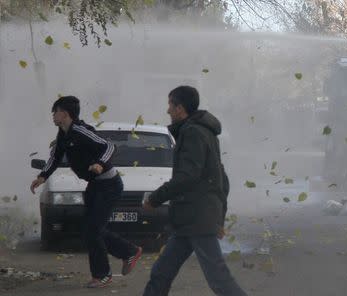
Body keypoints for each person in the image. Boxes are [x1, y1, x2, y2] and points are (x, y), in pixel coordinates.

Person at [142, 86, 247, 296]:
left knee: (219, 280)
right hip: (188, 220)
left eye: (170, 105)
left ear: (180, 108)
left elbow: (187, 177)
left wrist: (154, 199)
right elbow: (222, 180)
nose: (168, 110)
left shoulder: (193, 133)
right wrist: (219, 218)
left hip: (197, 218)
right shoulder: (201, 132)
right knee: (161, 272)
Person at [30, 96, 142, 288]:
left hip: (109, 184)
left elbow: (109, 147)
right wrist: (42, 176)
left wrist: (99, 163)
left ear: (64, 114)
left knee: (93, 230)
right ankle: (129, 251)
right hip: (95, 186)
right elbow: (55, 157)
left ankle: (103, 275)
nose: (53, 116)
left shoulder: (80, 131)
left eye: (54, 112)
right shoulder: (63, 133)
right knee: (89, 229)